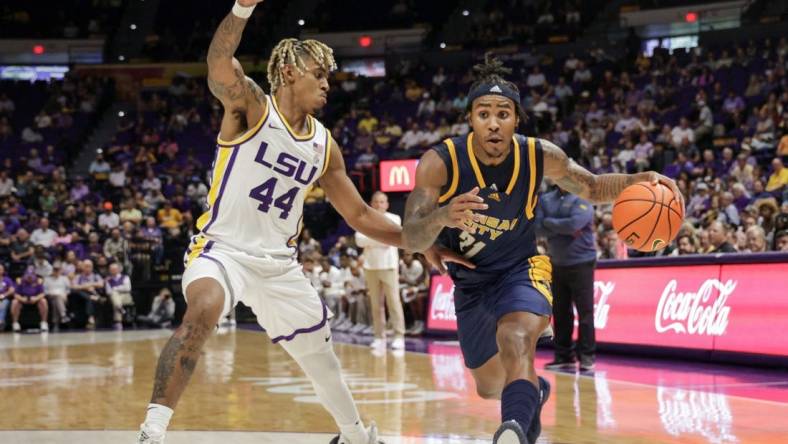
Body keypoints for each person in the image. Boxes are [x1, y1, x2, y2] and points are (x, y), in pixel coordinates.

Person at [136, 3, 464, 443]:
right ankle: (152, 432)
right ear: (289, 72)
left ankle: (354, 435)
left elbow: (360, 215)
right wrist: (242, 7)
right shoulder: (251, 106)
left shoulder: (324, 146)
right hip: (222, 249)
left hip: (279, 266)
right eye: (319, 75)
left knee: (320, 357)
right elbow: (218, 62)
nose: (328, 85)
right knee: (203, 310)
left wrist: (417, 241)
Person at [400, 54, 681, 444]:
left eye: (503, 113)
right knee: (489, 385)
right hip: (469, 281)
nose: (494, 122)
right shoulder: (440, 163)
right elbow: (411, 237)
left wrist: (642, 178)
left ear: (517, 119)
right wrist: (442, 216)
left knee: (516, 339)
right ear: (470, 120)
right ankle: (530, 394)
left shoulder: (539, 155)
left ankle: (511, 432)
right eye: (484, 113)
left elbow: (594, 187)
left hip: (521, 268)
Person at [536, 185, 598, 372]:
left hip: (582, 262)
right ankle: (564, 356)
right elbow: (537, 228)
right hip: (557, 261)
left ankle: (587, 357)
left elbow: (575, 224)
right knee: (560, 312)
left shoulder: (583, 195)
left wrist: (550, 223)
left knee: (585, 313)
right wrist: (562, 226)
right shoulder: (546, 198)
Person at [354, 192, 406, 350]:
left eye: (382, 202)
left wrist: (372, 238)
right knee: (376, 305)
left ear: (387, 204)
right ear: (371, 203)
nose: (379, 205)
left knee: (394, 302)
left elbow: (391, 239)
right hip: (370, 266)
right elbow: (359, 240)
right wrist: (380, 238)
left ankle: (399, 336)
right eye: (376, 202)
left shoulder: (394, 218)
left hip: (389, 266)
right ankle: (379, 336)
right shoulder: (364, 218)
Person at [105, 263, 133, 330]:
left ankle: (118, 322)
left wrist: (115, 288)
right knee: (114, 295)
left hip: (126, 296)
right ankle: (119, 316)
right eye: (111, 269)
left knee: (115, 295)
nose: (113, 271)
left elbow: (128, 288)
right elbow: (108, 291)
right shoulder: (108, 280)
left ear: (118, 270)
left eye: (114, 269)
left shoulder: (125, 277)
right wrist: (120, 288)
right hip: (114, 297)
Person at [44, 264, 71, 328]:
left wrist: (66, 294)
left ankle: (55, 322)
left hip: (63, 297)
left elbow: (68, 289)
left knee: (56, 301)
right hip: (51, 296)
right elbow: (45, 291)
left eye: (58, 270)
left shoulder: (64, 278)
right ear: (52, 271)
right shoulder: (47, 279)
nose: (56, 271)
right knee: (56, 298)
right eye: (55, 270)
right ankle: (63, 315)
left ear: (60, 270)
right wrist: (51, 294)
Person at [0, 264, 15, 331]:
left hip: (4, 298)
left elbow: (12, 290)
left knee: (3, 304)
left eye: (0, 269)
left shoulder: (7, 279)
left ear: (3, 271)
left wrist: (4, 295)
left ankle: (1, 322)